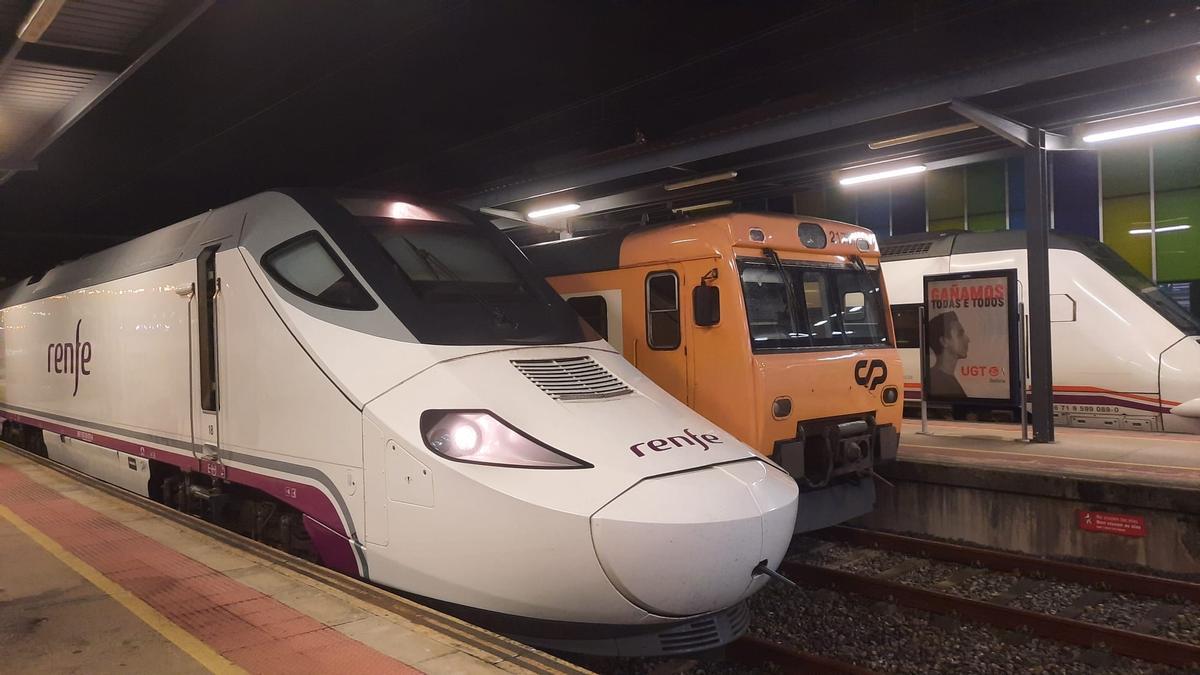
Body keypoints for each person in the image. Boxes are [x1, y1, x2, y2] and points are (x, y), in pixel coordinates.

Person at [927, 310, 969, 399]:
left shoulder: (941, 378)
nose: (967, 339)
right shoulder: (938, 382)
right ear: (944, 341)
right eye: (960, 334)